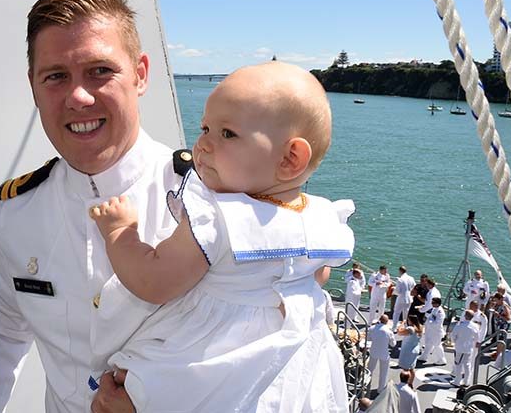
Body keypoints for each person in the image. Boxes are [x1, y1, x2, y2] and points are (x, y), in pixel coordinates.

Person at [0, 0, 190, 413]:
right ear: (33, 86)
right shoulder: (17, 213)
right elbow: (3, 333)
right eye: (55, 76)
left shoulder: (204, 199)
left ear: (140, 74)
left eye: (100, 70)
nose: (78, 97)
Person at [89, 61, 354, 412]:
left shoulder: (218, 219)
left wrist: (120, 232)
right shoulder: (321, 216)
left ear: (291, 158)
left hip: (203, 366)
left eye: (226, 134)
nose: (203, 144)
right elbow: (317, 274)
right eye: (205, 128)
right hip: (284, 374)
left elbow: (152, 281)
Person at [450, 310, 481, 386]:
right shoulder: (475, 326)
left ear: (465, 316)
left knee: (458, 364)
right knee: (467, 365)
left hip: (460, 347)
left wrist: (454, 341)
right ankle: (466, 382)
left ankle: (457, 381)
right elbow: (477, 338)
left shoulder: (460, 325)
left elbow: (453, 336)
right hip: (469, 348)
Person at [368, 315, 396, 394]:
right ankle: (380, 389)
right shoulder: (389, 331)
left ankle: (367, 386)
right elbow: (393, 344)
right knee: (384, 372)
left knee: (370, 370)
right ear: (387, 322)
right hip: (384, 353)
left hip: (373, 352)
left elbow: (369, 338)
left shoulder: (372, 328)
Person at [397, 315, 423, 387]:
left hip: (408, 350)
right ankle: (410, 383)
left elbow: (399, 332)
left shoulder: (411, 329)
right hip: (415, 348)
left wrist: (402, 324)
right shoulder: (420, 327)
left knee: (405, 369)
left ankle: (405, 384)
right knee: (411, 368)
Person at [419, 297, 447, 365]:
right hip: (430, 330)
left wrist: (428, 321)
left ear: (437, 303)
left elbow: (437, 323)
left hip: (436, 332)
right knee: (428, 343)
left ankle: (442, 360)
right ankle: (424, 356)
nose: (432, 304)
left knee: (437, 346)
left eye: (433, 303)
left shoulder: (440, 312)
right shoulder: (434, 309)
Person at [392, 266, 416, 332]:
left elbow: (398, 291)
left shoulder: (400, 279)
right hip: (409, 298)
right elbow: (414, 287)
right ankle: (406, 326)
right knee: (406, 313)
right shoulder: (411, 278)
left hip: (401, 298)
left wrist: (393, 290)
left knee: (396, 312)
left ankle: (394, 327)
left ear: (400, 271)